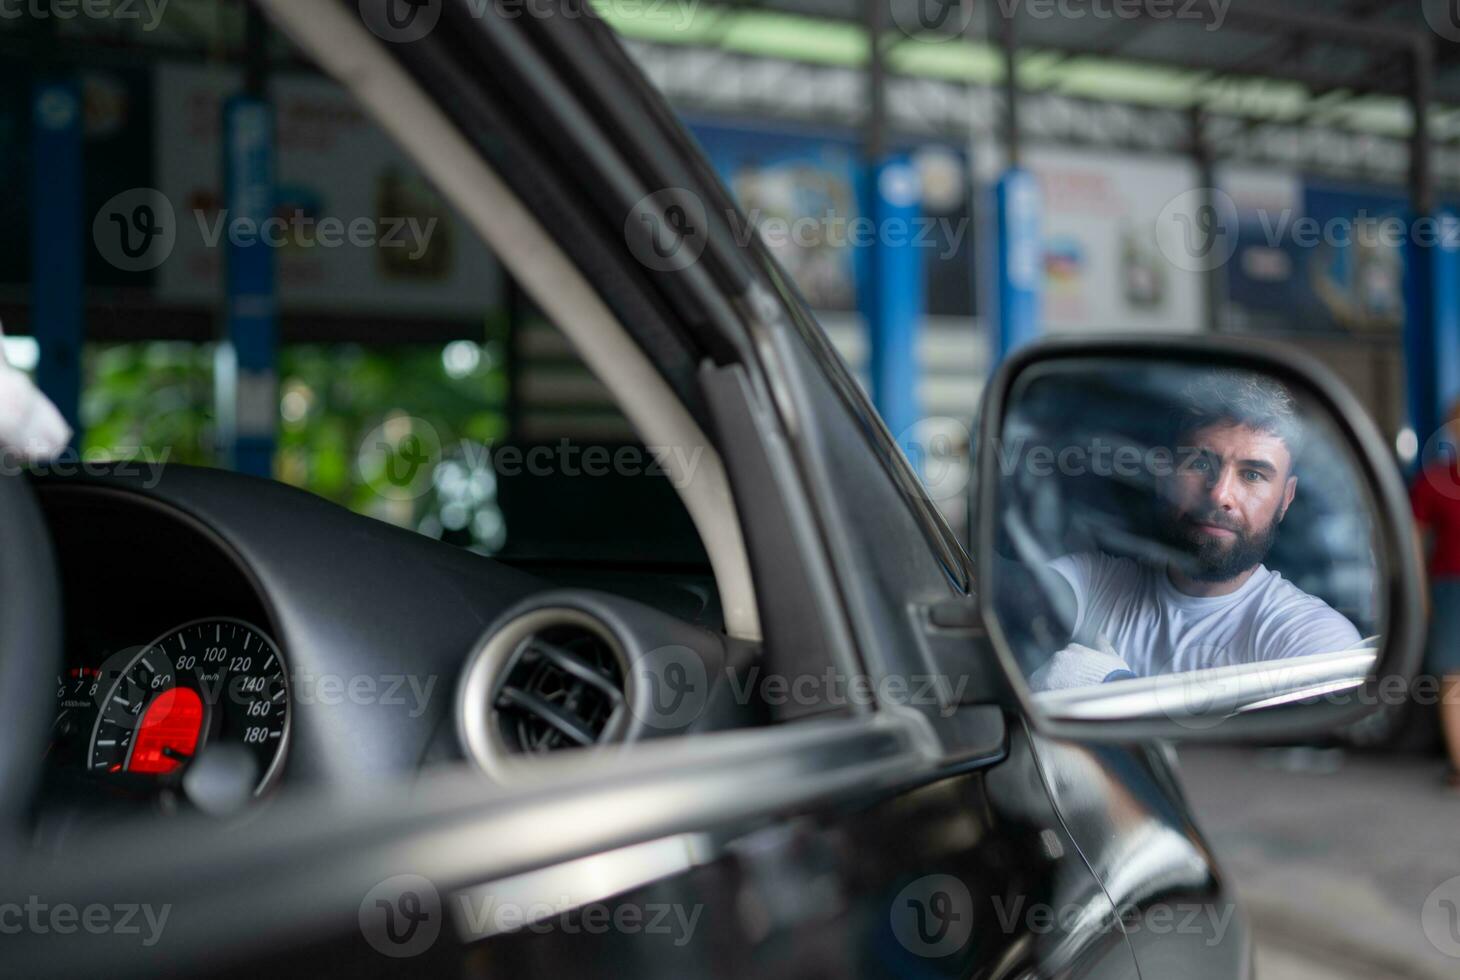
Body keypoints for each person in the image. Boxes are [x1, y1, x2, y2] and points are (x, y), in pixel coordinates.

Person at [1031, 372, 1362, 691]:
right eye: (1200, 464)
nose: (1220, 494)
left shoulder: (1315, 639)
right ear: (1164, 474)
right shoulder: (1095, 583)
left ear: (1286, 498)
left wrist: (1113, 688)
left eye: (1252, 475)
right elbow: (1014, 595)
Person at [1409, 397, 1460, 787]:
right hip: (1449, 587)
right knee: (1452, 678)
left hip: (1447, 587)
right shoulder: (1435, 480)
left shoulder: (1435, 479)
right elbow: (1411, 539)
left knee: (1452, 679)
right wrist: (1421, 595)